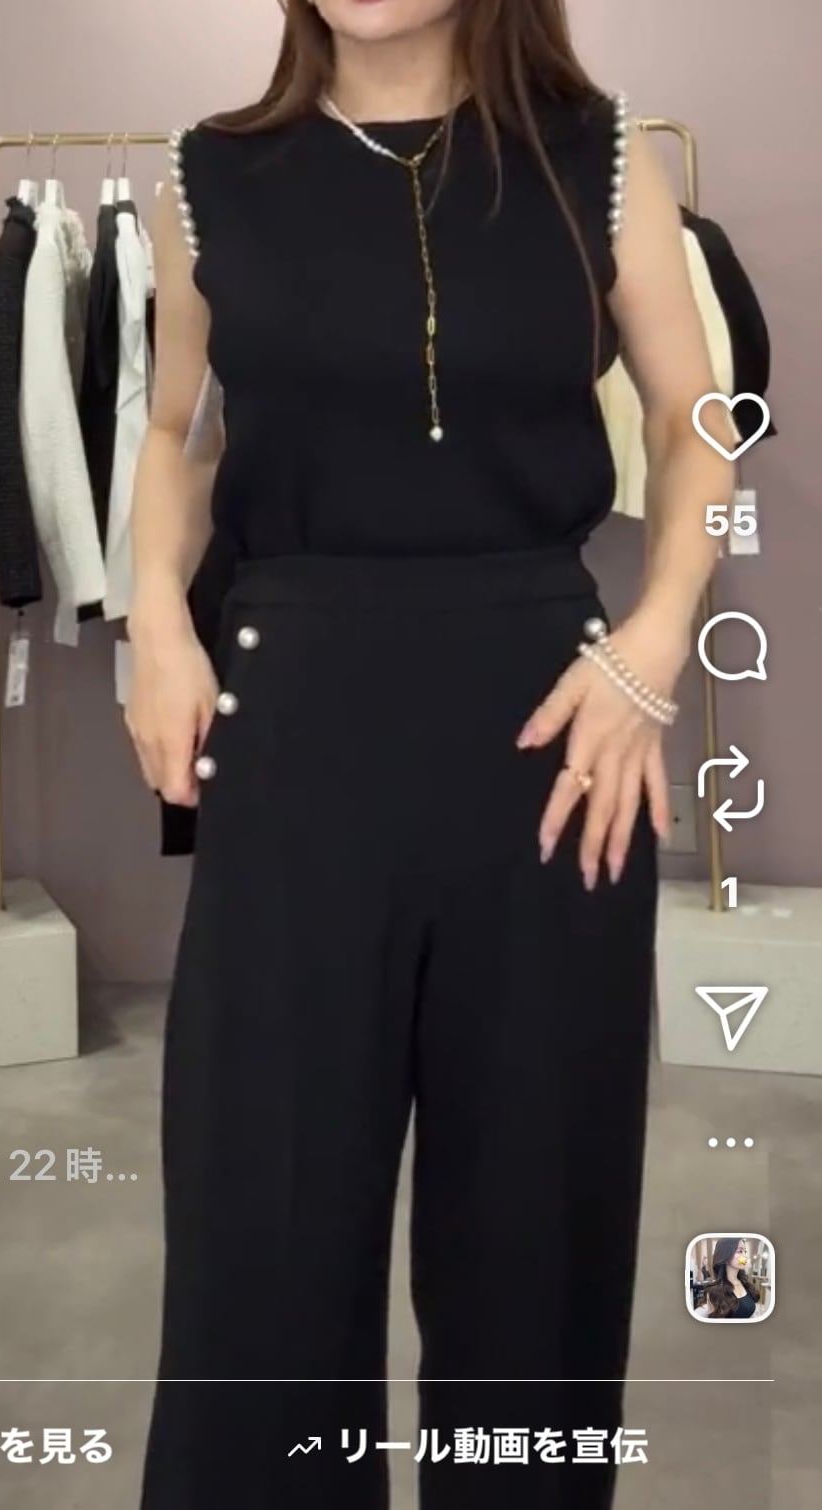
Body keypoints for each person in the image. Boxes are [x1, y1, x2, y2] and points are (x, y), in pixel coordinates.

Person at [127, 2, 733, 1506]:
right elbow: (178, 428)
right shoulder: (208, 172)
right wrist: (156, 620)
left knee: (534, 1223)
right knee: (261, 1225)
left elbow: (693, 416)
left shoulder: (599, 158)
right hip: (293, 714)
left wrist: (656, 642)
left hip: (552, 726)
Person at [696, 1238, 763, 1320]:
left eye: (745, 1251)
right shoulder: (715, 1291)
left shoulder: (745, 1284)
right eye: (740, 1251)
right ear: (725, 1256)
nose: (745, 1256)